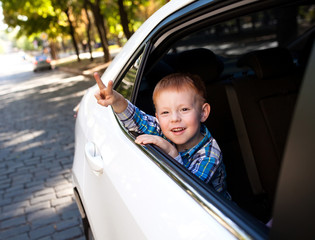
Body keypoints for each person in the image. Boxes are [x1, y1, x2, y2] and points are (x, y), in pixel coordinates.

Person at [94, 72, 230, 199]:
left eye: (184, 109)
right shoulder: (166, 128)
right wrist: (117, 101)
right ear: (158, 118)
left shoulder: (210, 154)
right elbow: (137, 120)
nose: (174, 119)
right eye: (165, 112)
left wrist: (171, 151)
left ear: (203, 112)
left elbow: (189, 193)